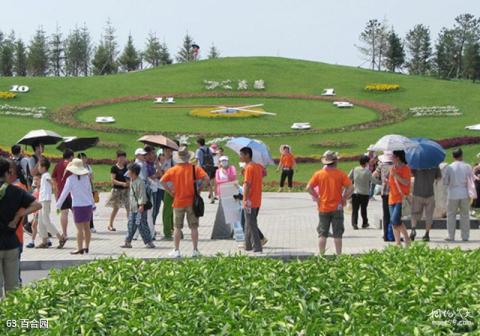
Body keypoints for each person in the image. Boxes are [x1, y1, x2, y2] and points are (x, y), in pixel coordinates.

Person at [0, 157, 41, 297]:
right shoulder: (16, 191)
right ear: (8, 172)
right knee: (13, 287)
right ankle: (13, 317)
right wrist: (20, 214)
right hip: (11, 244)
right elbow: (37, 204)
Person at [160, 146, 209, 258]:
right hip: (191, 201)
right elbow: (206, 178)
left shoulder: (173, 170)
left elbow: (162, 181)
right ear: (188, 157)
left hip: (178, 201)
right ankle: (195, 250)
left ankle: (176, 250)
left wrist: (170, 191)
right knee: (194, 227)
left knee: (177, 227)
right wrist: (199, 189)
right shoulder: (194, 168)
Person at [307, 151, 353, 255]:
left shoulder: (318, 174)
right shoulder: (340, 174)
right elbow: (351, 187)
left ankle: (321, 254)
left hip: (323, 207)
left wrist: (317, 197)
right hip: (337, 207)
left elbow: (308, 188)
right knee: (337, 234)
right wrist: (344, 197)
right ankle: (339, 255)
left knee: (323, 234)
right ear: (335, 161)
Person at [56, 158, 95, 255]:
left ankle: (79, 248)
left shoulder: (70, 179)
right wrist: (93, 204)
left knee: (79, 229)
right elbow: (90, 192)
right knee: (87, 227)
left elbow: (64, 193)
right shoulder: (86, 178)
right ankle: (87, 247)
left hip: (77, 206)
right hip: (88, 205)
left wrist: (58, 205)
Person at [120, 163, 156, 249]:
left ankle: (149, 242)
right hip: (133, 208)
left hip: (140, 208)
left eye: (129, 170)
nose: (127, 172)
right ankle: (127, 242)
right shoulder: (132, 181)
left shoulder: (140, 182)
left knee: (142, 224)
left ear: (134, 172)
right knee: (131, 224)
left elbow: (142, 195)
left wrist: (141, 205)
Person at [443, 148, 473, 241]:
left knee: (451, 215)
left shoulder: (449, 167)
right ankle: (465, 236)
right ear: (462, 155)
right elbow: (471, 180)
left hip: (452, 193)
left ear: (453, 156)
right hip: (464, 192)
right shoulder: (467, 166)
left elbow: (445, 182)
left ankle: (451, 236)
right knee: (465, 215)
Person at [35, 158, 66, 249]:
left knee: (46, 221)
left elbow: (52, 181)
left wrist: (55, 189)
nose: (38, 168)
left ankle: (61, 238)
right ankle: (44, 242)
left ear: (44, 167)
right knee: (41, 222)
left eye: (39, 166)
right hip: (42, 200)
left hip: (45, 200)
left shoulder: (46, 175)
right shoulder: (44, 175)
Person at [239, 147, 266, 253]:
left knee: (252, 223)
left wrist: (245, 199)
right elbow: (260, 177)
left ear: (247, 155)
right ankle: (248, 245)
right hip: (257, 199)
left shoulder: (249, 167)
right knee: (248, 222)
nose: (240, 156)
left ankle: (257, 247)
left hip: (250, 200)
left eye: (241, 154)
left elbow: (247, 184)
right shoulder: (257, 166)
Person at [410, 166, 442, 242]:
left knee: (414, 213)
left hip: (417, 193)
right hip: (430, 193)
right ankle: (427, 234)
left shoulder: (417, 163)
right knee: (429, 215)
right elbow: (439, 178)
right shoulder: (435, 164)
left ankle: (413, 229)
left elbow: (411, 174)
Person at [388, 150, 412, 247]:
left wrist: (396, 175)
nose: (391, 158)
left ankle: (407, 238)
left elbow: (406, 182)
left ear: (398, 157)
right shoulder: (392, 168)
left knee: (395, 220)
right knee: (394, 222)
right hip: (391, 197)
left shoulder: (405, 169)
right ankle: (398, 243)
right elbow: (391, 182)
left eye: (393, 156)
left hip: (400, 198)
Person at [52, 149, 74, 239]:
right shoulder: (71, 165)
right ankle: (82, 230)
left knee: (64, 213)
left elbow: (53, 177)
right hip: (72, 193)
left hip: (62, 193)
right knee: (76, 212)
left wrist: (56, 189)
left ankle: (64, 233)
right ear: (71, 156)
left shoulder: (58, 164)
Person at [373, 151, 394, 241]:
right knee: (394, 215)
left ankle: (386, 235)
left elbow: (373, 175)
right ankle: (393, 234)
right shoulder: (395, 166)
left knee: (386, 215)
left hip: (384, 192)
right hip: (394, 193)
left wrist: (380, 182)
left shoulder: (381, 165)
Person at [105, 150, 129, 231]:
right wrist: (122, 184)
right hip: (117, 190)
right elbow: (113, 180)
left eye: (123, 157)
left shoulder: (127, 167)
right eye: (120, 157)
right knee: (116, 208)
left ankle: (130, 226)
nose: (122, 159)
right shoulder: (114, 168)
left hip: (126, 191)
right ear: (117, 158)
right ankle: (110, 224)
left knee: (128, 208)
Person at [349, 155, 373, 230]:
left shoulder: (354, 169)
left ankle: (354, 224)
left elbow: (348, 177)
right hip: (365, 193)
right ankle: (364, 223)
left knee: (355, 210)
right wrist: (381, 182)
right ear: (366, 163)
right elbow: (373, 180)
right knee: (363, 209)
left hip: (355, 193)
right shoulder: (368, 171)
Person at [159, 147, 175, 240]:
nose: (167, 152)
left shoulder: (174, 161)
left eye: (169, 151)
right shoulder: (165, 162)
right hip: (167, 189)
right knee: (168, 212)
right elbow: (162, 175)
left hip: (172, 189)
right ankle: (169, 231)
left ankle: (169, 233)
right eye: (165, 151)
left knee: (171, 212)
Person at [78, 153, 96, 233]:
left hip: (88, 189)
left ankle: (91, 225)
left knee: (90, 208)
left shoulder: (88, 167)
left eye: (85, 158)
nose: (84, 159)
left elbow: (92, 177)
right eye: (82, 158)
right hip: (80, 191)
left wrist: (88, 176)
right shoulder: (77, 168)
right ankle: (82, 226)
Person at [195, 138, 216, 204]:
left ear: (198, 143)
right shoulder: (208, 149)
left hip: (201, 169)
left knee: (199, 183)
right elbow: (211, 157)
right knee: (208, 182)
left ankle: (197, 198)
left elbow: (197, 160)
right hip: (209, 168)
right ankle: (212, 197)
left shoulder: (198, 150)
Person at [26, 175, 41, 248]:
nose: (35, 181)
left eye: (37, 179)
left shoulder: (42, 190)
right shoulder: (35, 190)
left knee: (33, 225)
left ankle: (32, 242)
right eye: (34, 179)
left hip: (39, 211)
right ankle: (48, 241)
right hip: (35, 211)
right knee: (43, 226)